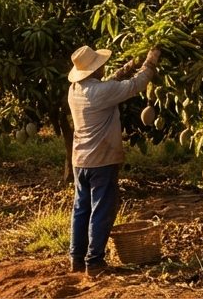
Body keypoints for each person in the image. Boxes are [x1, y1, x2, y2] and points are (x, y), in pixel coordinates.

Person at [66, 44, 160, 278]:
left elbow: (110, 82)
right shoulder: (102, 92)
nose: (103, 67)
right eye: (100, 65)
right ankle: (94, 262)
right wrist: (150, 60)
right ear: (94, 70)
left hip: (80, 161)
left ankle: (76, 260)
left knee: (81, 209)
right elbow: (135, 85)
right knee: (101, 209)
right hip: (101, 161)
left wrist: (130, 64)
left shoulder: (75, 89)